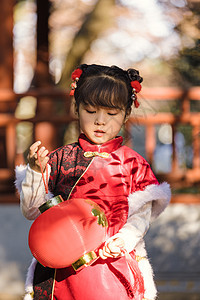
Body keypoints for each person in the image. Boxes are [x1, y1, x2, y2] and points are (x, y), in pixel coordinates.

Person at [15, 64, 171, 300]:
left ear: (126, 114)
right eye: (90, 111)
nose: (100, 121)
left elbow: (141, 214)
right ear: (76, 109)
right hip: (60, 268)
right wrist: (36, 171)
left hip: (111, 262)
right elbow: (32, 211)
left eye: (111, 114)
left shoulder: (132, 163)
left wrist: (124, 240)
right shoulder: (59, 158)